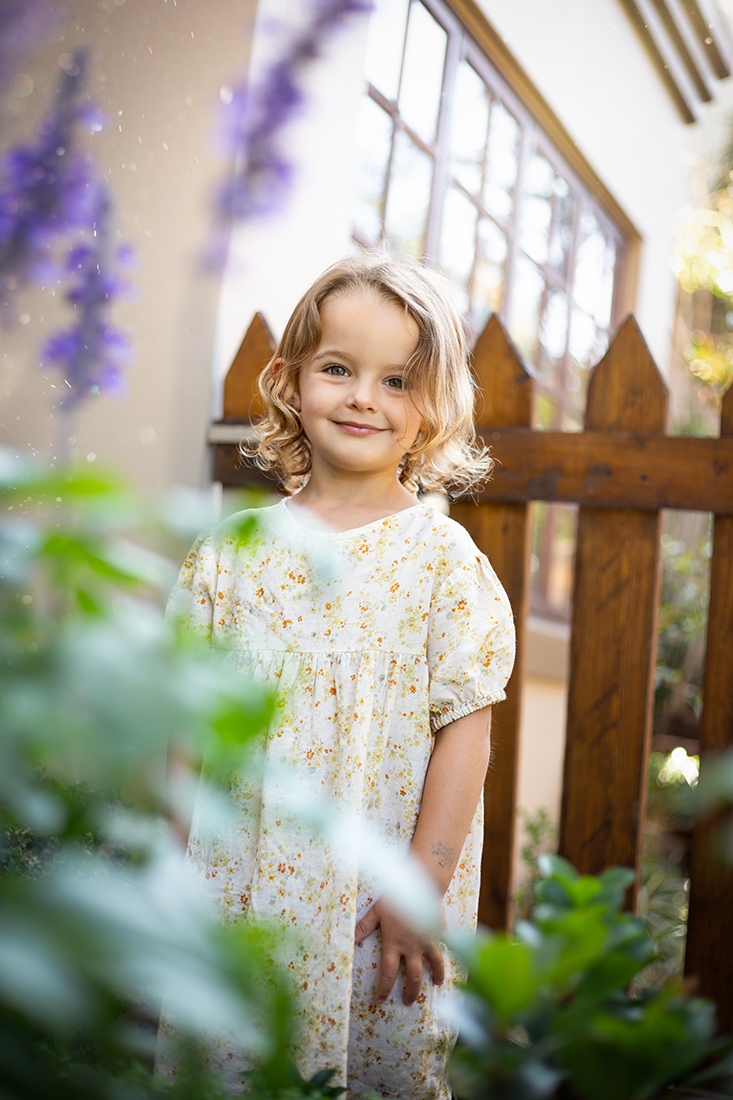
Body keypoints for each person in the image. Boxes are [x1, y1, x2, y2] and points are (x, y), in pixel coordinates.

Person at [157, 253, 515, 1099]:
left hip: (374, 906)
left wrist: (420, 884)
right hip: (236, 886)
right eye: (338, 369)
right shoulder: (228, 557)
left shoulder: (440, 561)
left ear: (433, 410)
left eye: (398, 381)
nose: (364, 397)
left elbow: (466, 731)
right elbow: (183, 733)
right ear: (288, 380)